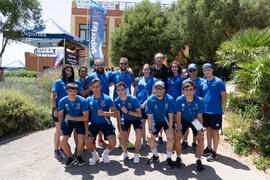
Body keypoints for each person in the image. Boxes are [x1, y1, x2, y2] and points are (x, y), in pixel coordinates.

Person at [85, 78, 117, 165]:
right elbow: (86, 117)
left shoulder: (107, 98)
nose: (96, 89)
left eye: (97, 87)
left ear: (101, 87)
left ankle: (105, 154)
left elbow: (115, 113)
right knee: (87, 142)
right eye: (94, 87)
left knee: (113, 143)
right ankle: (94, 155)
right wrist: (86, 129)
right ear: (91, 88)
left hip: (106, 124)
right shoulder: (88, 100)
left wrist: (104, 113)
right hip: (94, 124)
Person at [175, 81, 205, 171]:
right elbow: (178, 116)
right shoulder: (179, 100)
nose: (188, 92)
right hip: (183, 121)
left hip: (195, 120)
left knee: (201, 138)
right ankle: (178, 157)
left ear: (194, 90)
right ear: (183, 90)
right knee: (177, 137)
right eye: (186, 90)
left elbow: (200, 118)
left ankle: (198, 160)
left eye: (191, 90)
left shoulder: (200, 100)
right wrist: (179, 131)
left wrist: (199, 132)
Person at [146, 81, 176, 168]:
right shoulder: (150, 100)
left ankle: (169, 158)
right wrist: (150, 131)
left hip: (167, 121)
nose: (159, 90)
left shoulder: (169, 99)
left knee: (170, 137)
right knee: (149, 137)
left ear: (164, 90)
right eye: (157, 88)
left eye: (161, 88)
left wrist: (170, 130)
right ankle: (155, 156)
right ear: (154, 89)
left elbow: (171, 116)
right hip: (156, 121)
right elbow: (150, 117)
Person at [58, 83, 89, 168]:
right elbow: (60, 114)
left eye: (74, 91)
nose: (72, 93)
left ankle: (78, 156)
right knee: (62, 141)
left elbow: (85, 117)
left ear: (77, 91)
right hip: (68, 122)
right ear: (67, 91)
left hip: (80, 122)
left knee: (81, 142)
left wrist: (72, 118)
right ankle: (70, 157)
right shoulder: (62, 101)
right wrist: (61, 126)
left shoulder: (82, 100)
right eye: (70, 91)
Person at [201, 63, 227, 161]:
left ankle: (214, 152)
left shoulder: (219, 82)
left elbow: (224, 96)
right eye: (204, 70)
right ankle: (208, 148)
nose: (206, 72)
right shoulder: (203, 83)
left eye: (208, 70)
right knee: (208, 130)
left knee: (215, 131)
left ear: (212, 70)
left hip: (216, 112)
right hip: (205, 111)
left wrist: (219, 107)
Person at [111, 57, 136, 148]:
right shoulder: (114, 74)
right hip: (117, 101)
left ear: (127, 65)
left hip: (128, 100)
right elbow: (107, 83)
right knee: (118, 120)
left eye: (125, 64)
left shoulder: (130, 73)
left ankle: (127, 140)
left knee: (127, 121)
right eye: (122, 63)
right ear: (119, 64)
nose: (123, 65)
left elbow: (134, 85)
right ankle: (120, 140)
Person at [87, 59, 113, 147]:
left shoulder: (109, 74)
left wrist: (129, 70)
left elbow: (117, 76)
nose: (99, 67)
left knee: (103, 119)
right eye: (97, 65)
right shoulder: (91, 76)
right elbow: (88, 87)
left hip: (105, 100)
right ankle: (93, 140)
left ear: (104, 65)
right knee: (94, 120)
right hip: (94, 101)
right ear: (95, 66)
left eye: (101, 65)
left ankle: (100, 139)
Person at [114, 82, 142, 163]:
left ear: (125, 90)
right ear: (116, 91)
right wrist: (119, 129)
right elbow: (118, 116)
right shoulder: (116, 101)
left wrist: (127, 112)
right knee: (121, 136)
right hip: (126, 120)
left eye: (122, 89)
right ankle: (125, 153)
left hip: (136, 119)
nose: (120, 92)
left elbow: (139, 113)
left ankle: (136, 154)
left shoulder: (133, 99)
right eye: (118, 90)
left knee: (138, 136)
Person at [51, 64, 74, 159]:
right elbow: (52, 96)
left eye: (70, 71)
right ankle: (56, 150)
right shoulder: (58, 82)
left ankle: (62, 148)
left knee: (64, 131)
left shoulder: (72, 83)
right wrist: (55, 108)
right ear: (63, 71)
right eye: (67, 70)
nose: (68, 72)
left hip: (68, 111)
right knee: (58, 130)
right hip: (58, 109)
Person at [182, 63, 204, 151]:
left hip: (197, 107)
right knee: (186, 126)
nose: (192, 72)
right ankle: (185, 141)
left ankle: (194, 142)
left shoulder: (202, 81)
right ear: (188, 71)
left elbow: (204, 94)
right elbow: (182, 93)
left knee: (196, 125)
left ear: (197, 70)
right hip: (187, 107)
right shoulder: (184, 81)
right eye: (190, 70)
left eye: (194, 70)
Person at [133, 64, 156, 148]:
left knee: (151, 123)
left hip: (148, 104)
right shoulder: (139, 80)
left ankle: (151, 139)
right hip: (139, 104)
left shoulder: (153, 80)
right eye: (145, 69)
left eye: (148, 69)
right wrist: (135, 102)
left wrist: (144, 104)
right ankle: (144, 140)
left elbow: (153, 93)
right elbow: (135, 92)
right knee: (142, 123)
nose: (146, 71)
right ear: (142, 71)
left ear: (150, 70)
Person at [150, 52, 169, 144]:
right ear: (155, 59)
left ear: (163, 59)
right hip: (154, 95)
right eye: (157, 58)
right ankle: (154, 133)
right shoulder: (151, 68)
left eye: (161, 58)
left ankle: (160, 135)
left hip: (164, 94)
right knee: (154, 114)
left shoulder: (166, 69)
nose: (159, 60)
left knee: (162, 113)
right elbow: (142, 74)